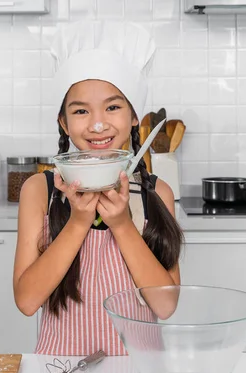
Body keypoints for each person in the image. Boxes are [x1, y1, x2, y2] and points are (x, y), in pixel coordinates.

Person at [12, 20, 183, 356]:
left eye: (113, 107)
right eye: (80, 111)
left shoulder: (156, 194)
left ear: (135, 116)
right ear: (63, 121)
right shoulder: (39, 190)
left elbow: (165, 305)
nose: (98, 124)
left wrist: (121, 224)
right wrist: (77, 222)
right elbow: (27, 301)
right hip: (60, 372)